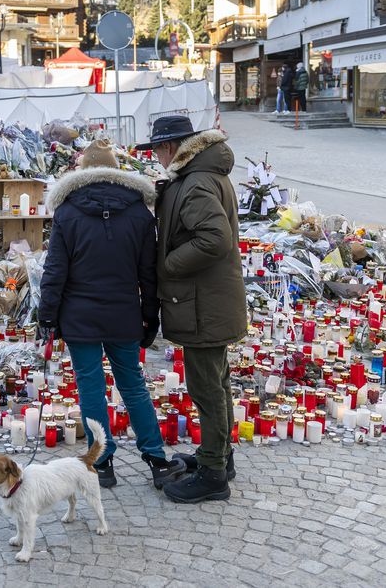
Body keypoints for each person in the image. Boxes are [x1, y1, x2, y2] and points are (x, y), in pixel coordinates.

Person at [37, 139, 187, 490]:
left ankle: (101, 463)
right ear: (116, 171)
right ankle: (156, 459)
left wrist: (47, 317)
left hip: (80, 316)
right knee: (133, 385)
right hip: (124, 313)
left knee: (91, 387)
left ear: (83, 172)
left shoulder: (68, 211)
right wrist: (150, 316)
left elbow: (55, 271)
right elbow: (148, 273)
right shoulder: (139, 212)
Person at [136, 116, 247, 504]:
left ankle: (214, 474)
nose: (156, 157)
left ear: (170, 147)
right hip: (208, 300)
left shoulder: (197, 181)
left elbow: (215, 239)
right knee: (216, 382)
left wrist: (168, 264)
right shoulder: (199, 175)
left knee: (207, 388)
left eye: (157, 150)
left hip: (204, 303)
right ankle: (218, 456)